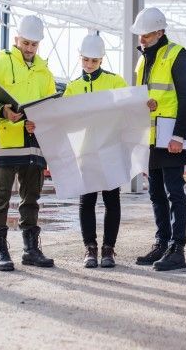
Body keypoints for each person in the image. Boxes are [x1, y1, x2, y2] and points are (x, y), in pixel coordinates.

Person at [0, 15, 56, 270]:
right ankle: (1, 250)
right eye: (26, 43)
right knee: (0, 196)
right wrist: (2, 111)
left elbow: (50, 108)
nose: (29, 48)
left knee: (31, 198)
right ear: (16, 39)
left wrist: (41, 121)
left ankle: (31, 249)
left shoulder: (44, 73)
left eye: (34, 44)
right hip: (6, 141)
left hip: (33, 142)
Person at [130, 8, 186, 271]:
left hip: (170, 137)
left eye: (145, 34)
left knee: (174, 192)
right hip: (150, 137)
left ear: (159, 32)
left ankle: (177, 248)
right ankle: (162, 242)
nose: (141, 39)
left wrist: (179, 136)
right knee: (156, 194)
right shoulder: (142, 61)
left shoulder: (176, 54)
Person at [63, 33, 127, 268]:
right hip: (86, 152)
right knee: (87, 201)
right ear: (80, 57)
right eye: (86, 60)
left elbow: (127, 112)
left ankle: (108, 249)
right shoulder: (72, 87)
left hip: (110, 150)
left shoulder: (115, 82)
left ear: (102, 60)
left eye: (95, 61)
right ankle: (90, 249)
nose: (89, 65)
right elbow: (64, 121)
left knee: (112, 200)